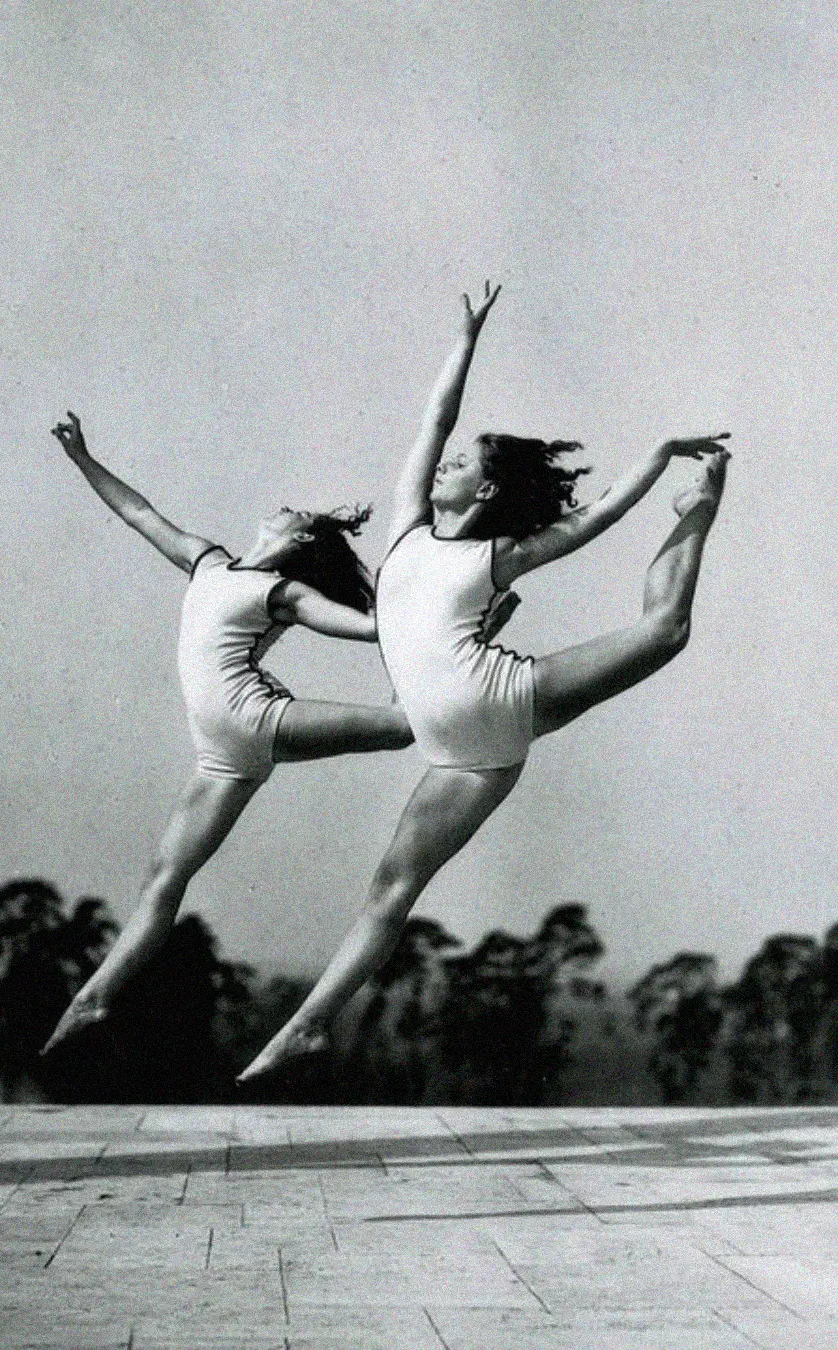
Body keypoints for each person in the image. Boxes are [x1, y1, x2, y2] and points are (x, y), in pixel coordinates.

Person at [238, 282, 730, 1081]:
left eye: (463, 463)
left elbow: (596, 516)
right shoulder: (407, 529)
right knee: (390, 889)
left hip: (498, 703)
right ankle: (308, 1025)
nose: (445, 463)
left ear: (488, 491)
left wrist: (663, 451)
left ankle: (699, 507)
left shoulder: (493, 556)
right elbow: (433, 421)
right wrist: (464, 339)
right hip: (462, 753)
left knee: (663, 632)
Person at [41, 412, 416, 1055]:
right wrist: (83, 459)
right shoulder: (208, 561)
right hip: (219, 753)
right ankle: (98, 996)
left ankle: (469, 649)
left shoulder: (285, 590)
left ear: (300, 539)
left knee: (408, 727)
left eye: (297, 510)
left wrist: (422, 611)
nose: (284, 505)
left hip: (254, 718)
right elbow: (138, 512)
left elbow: (374, 628)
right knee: (164, 877)